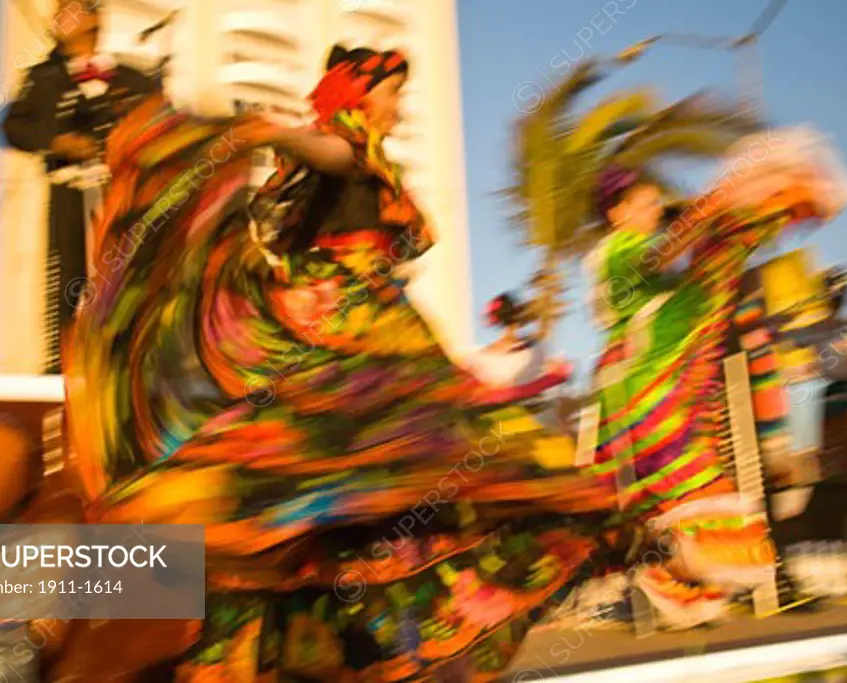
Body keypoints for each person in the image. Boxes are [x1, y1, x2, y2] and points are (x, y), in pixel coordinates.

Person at [64, 45, 616, 681]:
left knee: (392, 471)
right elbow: (324, 154)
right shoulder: (343, 146)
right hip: (353, 326)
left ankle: (352, 630)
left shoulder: (367, 156)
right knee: (400, 459)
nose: (399, 102)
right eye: (392, 90)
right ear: (358, 93)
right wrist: (270, 131)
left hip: (379, 322)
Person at [583, 126, 847, 627]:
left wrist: (740, 213)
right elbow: (662, 257)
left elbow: (690, 269)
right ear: (616, 212)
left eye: (654, 203)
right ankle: (655, 584)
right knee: (693, 497)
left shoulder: (646, 261)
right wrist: (713, 208)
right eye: (645, 204)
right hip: (646, 399)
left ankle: (670, 592)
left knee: (688, 501)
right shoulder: (617, 251)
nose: (653, 213)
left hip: (668, 393)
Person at [0, 0, 156, 374]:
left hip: (119, 195)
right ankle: (63, 361)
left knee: (126, 272)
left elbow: (162, 125)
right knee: (67, 273)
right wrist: (57, 142)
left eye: (67, 10)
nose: (57, 19)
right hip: (69, 192)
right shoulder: (43, 78)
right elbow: (12, 127)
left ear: (93, 18)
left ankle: (125, 361)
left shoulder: (133, 79)